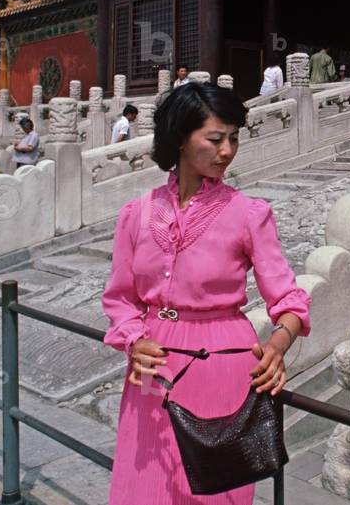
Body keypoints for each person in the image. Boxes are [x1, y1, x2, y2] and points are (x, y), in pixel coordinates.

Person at [102, 82, 310, 504]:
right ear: (180, 138)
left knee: (216, 493)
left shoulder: (249, 214)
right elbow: (121, 298)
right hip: (152, 368)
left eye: (234, 138)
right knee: (145, 489)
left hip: (223, 363)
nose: (227, 150)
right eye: (215, 138)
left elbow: (289, 301)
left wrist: (278, 343)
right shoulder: (135, 215)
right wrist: (133, 339)